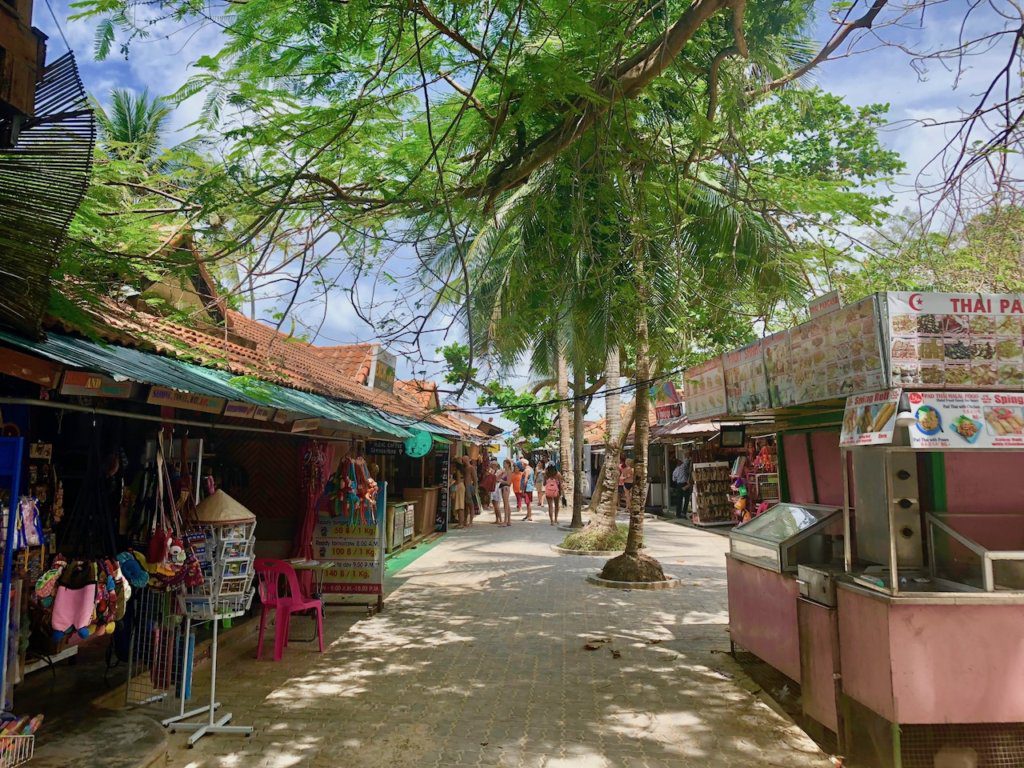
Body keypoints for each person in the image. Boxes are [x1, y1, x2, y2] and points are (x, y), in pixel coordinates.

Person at [672, 451, 693, 518]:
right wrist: (687, 455)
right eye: (680, 461)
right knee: (686, 499)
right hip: (684, 484)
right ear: (679, 463)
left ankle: (678, 514)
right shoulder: (682, 467)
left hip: (678, 485)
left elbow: (673, 479)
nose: (681, 461)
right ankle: (684, 513)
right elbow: (686, 461)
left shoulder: (675, 471)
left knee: (679, 500)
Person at [499, 459, 513, 527]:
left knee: (506, 504)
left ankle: (505, 520)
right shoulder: (504, 471)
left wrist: (501, 481)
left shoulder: (509, 472)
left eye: (505, 463)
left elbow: (508, 482)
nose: (504, 465)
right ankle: (509, 521)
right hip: (502, 488)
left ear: (508, 464)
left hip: (506, 488)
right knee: (507, 504)